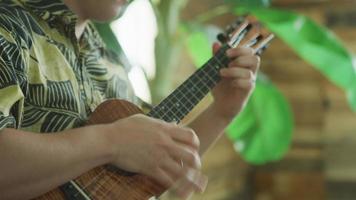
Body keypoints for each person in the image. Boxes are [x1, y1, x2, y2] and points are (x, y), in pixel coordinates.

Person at [0, 0, 260, 199]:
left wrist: (222, 111)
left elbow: (152, 161)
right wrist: (112, 140)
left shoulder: (108, 61)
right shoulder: (7, 29)